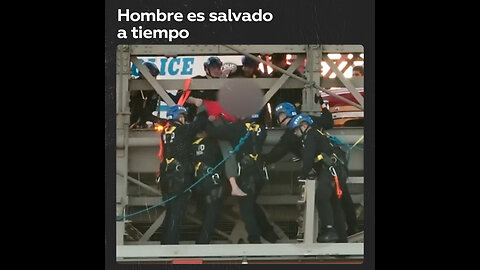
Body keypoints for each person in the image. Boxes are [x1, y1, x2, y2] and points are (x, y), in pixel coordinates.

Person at [263, 101, 359, 236]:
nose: (279, 120)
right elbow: (328, 121)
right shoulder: (309, 122)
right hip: (334, 164)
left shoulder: (291, 136)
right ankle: (349, 228)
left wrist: (260, 160)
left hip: (326, 167)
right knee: (340, 198)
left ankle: (334, 230)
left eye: (280, 116)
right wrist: (324, 107)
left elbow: (277, 154)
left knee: (330, 198)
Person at [205, 111, 278, 243]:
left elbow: (213, 132)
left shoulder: (237, 128)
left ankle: (255, 240)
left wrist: (208, 120)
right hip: (259, 174)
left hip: (246, 175)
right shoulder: (261, 129)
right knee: (251, 204)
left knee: (246, 211)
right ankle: (269, 232)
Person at [288, 113, 347, 243]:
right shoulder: (319, 133)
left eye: (297, 130)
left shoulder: (310, 135)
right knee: (334, 204)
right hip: (337, 172)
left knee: (321, 197)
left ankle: (329, 230)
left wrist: (302, 174)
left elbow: (309, 158)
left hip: (330, 172)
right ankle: (341, 238)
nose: (296, 134)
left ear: (304, 126)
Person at [157, 105, 208, 244]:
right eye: (184, 117)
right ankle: (171, 245)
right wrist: (203, 108)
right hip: (179, 178)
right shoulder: (183, 131)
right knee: (177, 213)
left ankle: (164, 244)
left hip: (166, 177)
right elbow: (199, 124)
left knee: (170, 212)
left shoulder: (165, 132)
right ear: (179, 117)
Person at [191, 129, 227, 244]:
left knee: (205, 212)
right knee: (212, 214)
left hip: (197, 184)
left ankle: (202, 241)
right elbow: (224, 162)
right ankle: (203, 242)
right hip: (212, 183)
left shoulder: (190, 145)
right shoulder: (213, 144)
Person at [129, 62, 161, 129]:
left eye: (155, 76)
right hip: (130, 123)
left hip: (141, 123)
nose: (154, 79)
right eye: (152, 76)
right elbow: (138, 111)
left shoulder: (155, 89)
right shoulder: (134, 89)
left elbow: (171, 98)